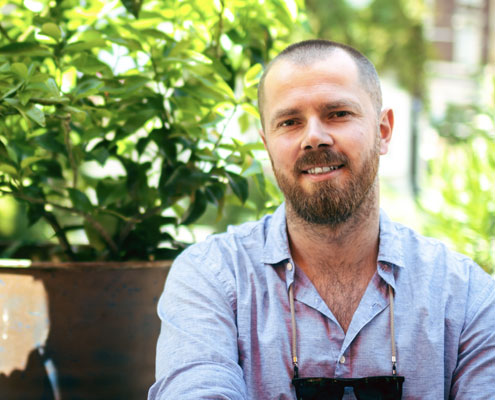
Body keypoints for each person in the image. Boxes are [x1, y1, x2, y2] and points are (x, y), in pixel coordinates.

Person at [148, 39, 495, 399]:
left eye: (338, 114)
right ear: (267, 145)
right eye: (290, 122)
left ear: (383, 131)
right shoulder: (213, 278)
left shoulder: (465, 296)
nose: (313, 137)